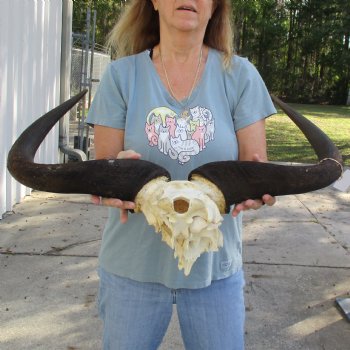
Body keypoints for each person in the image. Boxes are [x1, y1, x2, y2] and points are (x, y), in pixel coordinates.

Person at [87, 1, 276, 349]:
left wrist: (257, 189)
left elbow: (254, 165)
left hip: (214, 272)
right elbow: (104, 164)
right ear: (154, 2)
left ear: (215, 5)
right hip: (132, 269)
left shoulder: (240, 75)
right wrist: (115, 172)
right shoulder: (121, 76)